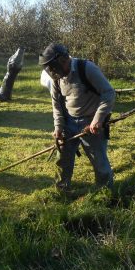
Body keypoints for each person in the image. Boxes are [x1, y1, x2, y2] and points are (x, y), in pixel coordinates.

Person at [39, 43, 115, 191]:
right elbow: (57, 104)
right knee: (63, 158)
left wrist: (98, 119)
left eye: (52, 67)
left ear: (62, 60)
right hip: (69, 122)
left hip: (91, 122)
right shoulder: (56, 78)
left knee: (98, 160)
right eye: (48, 68)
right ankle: (62, 189)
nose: (51, 71)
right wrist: (58, 127)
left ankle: (105, 192)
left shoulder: (87, 68)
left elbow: (109, 93)